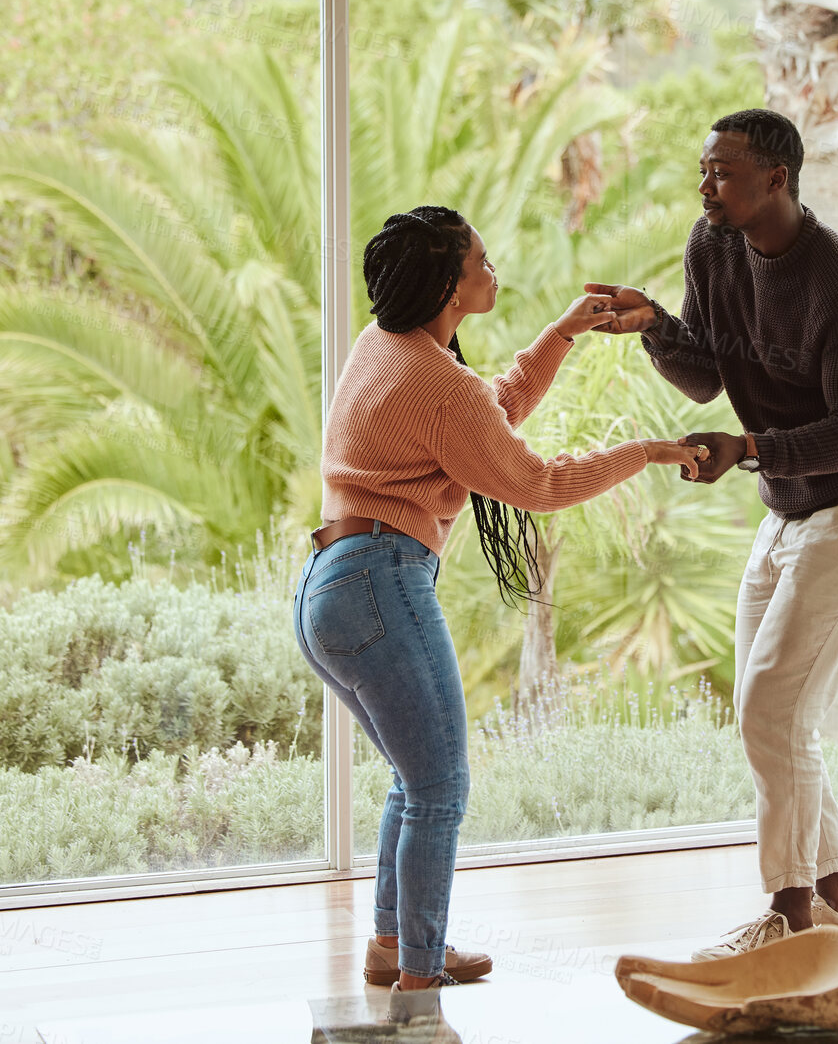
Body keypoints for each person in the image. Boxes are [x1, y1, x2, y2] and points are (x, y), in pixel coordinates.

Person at [294, 205, 707, 992]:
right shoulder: (438, 383)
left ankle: (395, 947)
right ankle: (419, 986)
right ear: (451, 284)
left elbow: (489, 413)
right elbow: (538, 483)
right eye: (481, 262)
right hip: (383, 579)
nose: (493, 270)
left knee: (414, 783)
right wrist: (651, 450)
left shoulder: (382, 348)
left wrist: (562, 332)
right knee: (440, 789)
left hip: (329, 587)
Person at [587, 109, 838, 959]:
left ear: (777, 179)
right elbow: (707, 374)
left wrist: (750, 448)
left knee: (770, 709)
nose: (706, 186)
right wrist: (656, 328)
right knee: (777, 716)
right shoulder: (713, 247)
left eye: (724, 174)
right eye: (704, 170)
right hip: (791, 505)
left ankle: (790, 917)